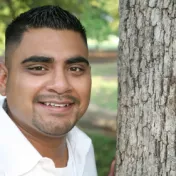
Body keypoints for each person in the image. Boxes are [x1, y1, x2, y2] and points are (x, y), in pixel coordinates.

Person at [0, 5, 115, 176]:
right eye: (38, 68)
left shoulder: (81, 146)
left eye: (75, 69)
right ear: (4, 80)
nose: (61, 85)